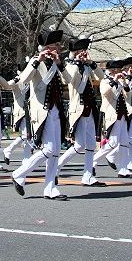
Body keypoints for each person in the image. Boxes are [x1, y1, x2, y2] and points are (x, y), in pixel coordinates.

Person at [11, 29, 69, 200]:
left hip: (57, 110)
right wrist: (39, 61)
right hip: (42, 111)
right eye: (56, 45)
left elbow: (68, 80)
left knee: (56, 150)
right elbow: (24, 80)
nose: (59, 48)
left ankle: (50, 188)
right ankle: (18, 173)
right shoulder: (37, 61)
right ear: (46, 47)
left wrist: (59, 63)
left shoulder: (56, 63)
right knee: (49, 149)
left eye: (58, 45)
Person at [56, 35, 107, 187]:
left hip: (90, 109)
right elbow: (69, 80)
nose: (83, 53)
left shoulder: (86, 66)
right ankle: (55, 167)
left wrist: (90, 63)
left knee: (91, 144)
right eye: (80, 50)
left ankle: (88, 176)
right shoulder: (69, 66)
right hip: (78, 109)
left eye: (84, 50)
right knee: (79, 145)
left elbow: (101, 76)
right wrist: (78, 63)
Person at [93, 56, 132, 179]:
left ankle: (123, 169)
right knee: (112, 143)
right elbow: (110, 95)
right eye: (117, 69)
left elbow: (128, 93)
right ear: (111, 70)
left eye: (119, 69)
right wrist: (115, 82)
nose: (119, 71)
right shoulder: (105, 81)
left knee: (124, 143)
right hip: (112, 115)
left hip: (122, 115)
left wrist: (129, 79)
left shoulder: (120, 80)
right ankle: (93, 162)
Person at [2, 61, 32, 166]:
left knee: (29, 136)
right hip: (21, 112)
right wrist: (17, 78)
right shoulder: (18, 82)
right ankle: (9, 150)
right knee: (26, 135)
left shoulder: (32, 80)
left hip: (31, 112)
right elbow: (6, 85)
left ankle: (26, 158)